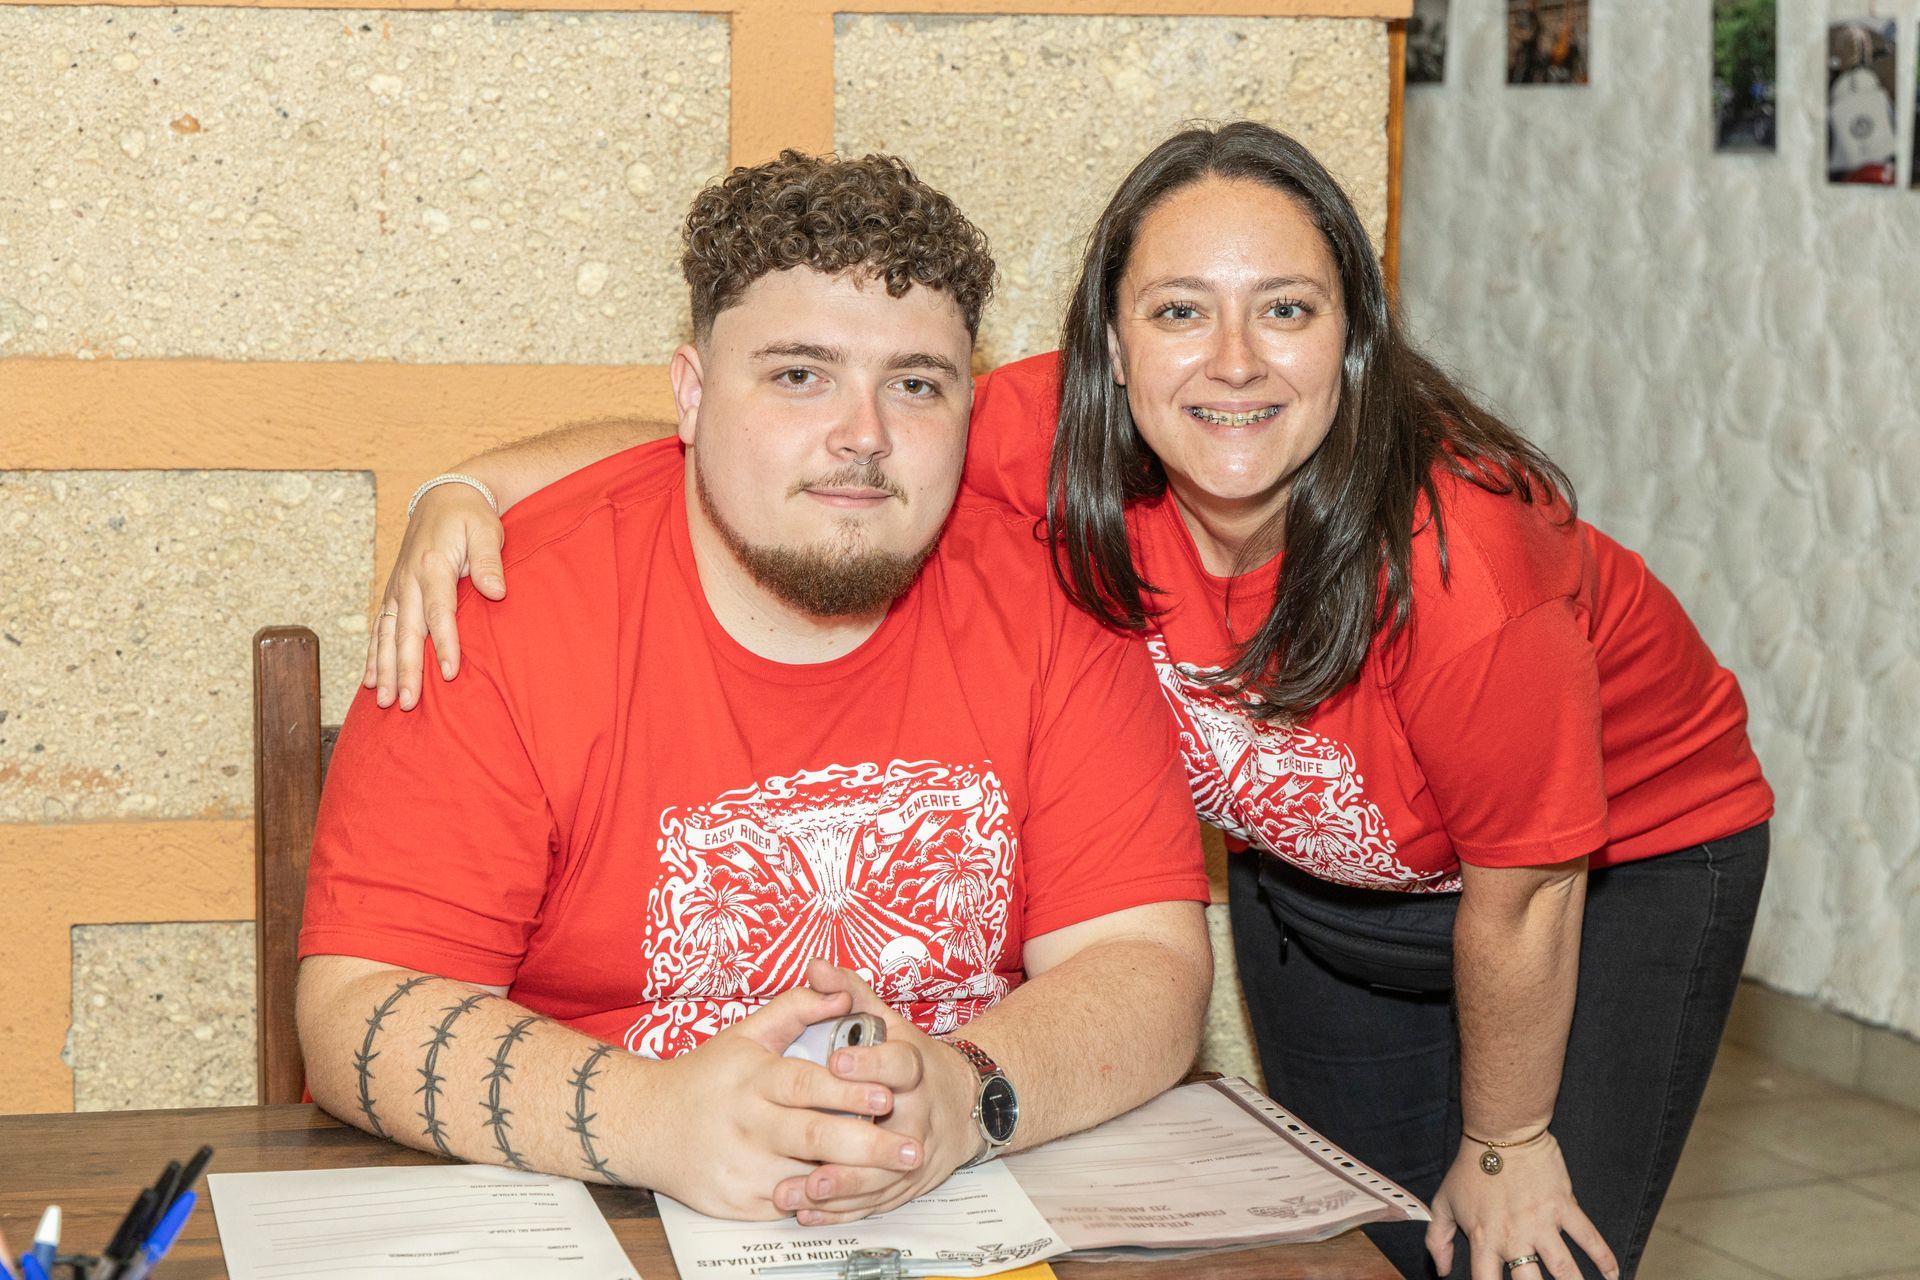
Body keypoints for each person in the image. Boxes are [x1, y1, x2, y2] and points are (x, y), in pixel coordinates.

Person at [365, 123, 1771, 1280]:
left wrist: (1510, 1141)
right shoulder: (1053, 442)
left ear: (1352, 343)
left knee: (1518, 1247)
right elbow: (797, 435)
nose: (1230, 363)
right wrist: (475, 486)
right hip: (1321, 875)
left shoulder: (1469, 570)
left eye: (1286, 311)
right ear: (1111, 345)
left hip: (1597, 875)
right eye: (1178, 313)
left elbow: (1524, 897)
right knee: (1374, 1256)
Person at [297, 149, 1215, 1226]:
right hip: (595, 1209)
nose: (864, 436)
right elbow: (357, 1007)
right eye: (798, 375)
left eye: (916, 383)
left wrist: (968, 1091)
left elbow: (1146, 960)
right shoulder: (493, 608)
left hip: (957, 1212)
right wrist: (651, 1117)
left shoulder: (1056, 597)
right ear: (690, 393)